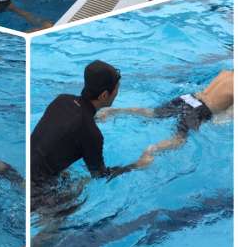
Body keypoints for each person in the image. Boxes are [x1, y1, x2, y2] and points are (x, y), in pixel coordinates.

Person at [98, 70, 233, 172]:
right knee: (179, 139)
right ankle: (151, 151)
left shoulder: (225, 72)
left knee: (153, 113)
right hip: (199, 109)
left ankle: (116, 111)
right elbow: (226, 116)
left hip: (187, 98)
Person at [31, 60, 123, 189]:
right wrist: (137, 165)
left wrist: (93, 118)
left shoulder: (61, 100)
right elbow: (100, 176)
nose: (117, 93)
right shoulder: (92, 134)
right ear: (104, 95)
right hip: (38, 191)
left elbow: (69, 123)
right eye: (117, 89)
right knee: (80, 186)